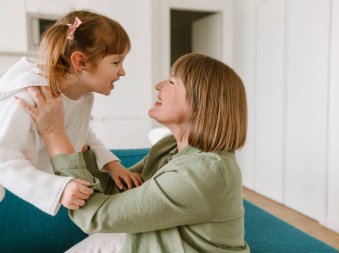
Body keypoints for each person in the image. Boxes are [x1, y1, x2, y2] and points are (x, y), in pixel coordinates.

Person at [18, 53, 250, 252]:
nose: (158, 85)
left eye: (171, 82)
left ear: (201, 102)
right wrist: (80, 143)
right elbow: (118, 192)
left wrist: (54, 133)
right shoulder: (170, 148)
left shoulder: (202, 173)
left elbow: (95, 216)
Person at [0, 10, 142, 216]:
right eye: (116, 62)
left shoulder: (83, 96)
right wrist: (59, 189)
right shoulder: (30, 98)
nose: (122, 72)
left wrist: (113, 165)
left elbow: (83, 132)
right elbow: (2, 159)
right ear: (81, 62)